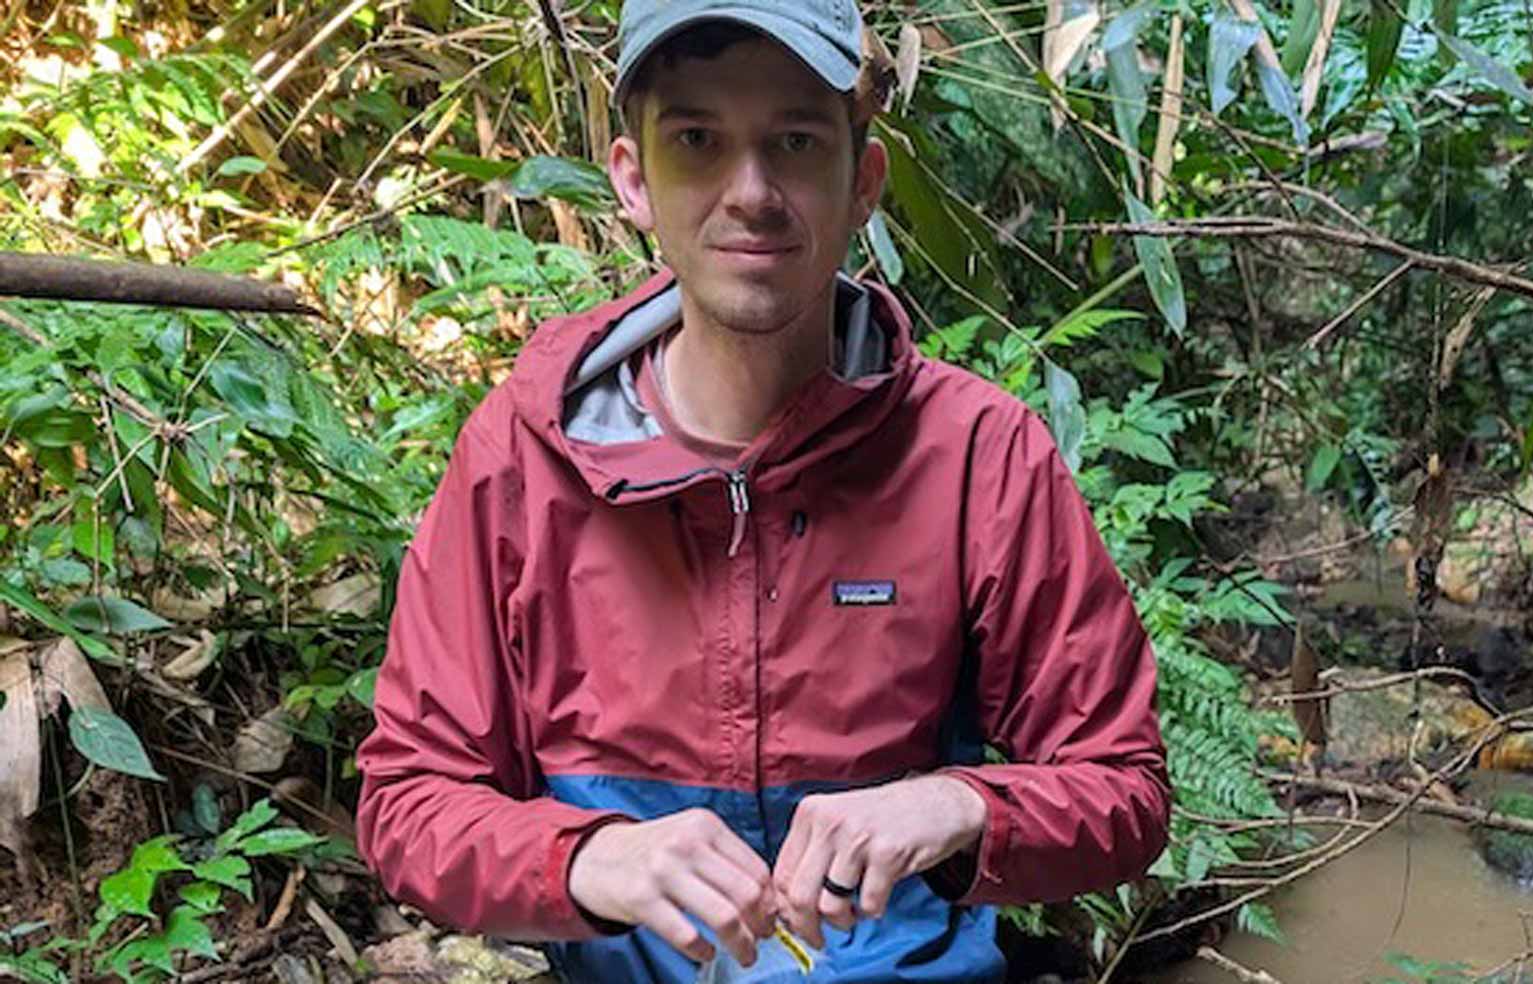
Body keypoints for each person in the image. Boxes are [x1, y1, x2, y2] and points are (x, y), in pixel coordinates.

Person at [354, 0, 1171, 980]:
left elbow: (1122, 791)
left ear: (861, 180)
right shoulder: (522, 456)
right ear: (632, 178)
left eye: (794, 140)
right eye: (696, 140)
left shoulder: (978, 456)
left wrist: (959, 805)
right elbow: (408, 803)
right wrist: (587, 858)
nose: (750, 191)